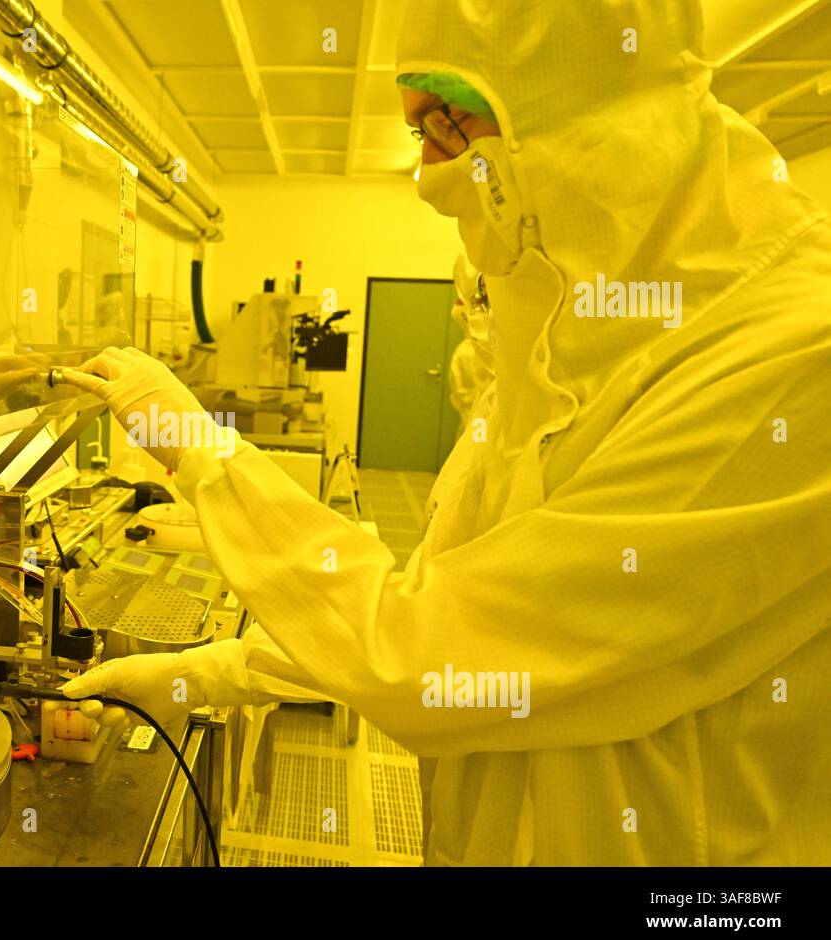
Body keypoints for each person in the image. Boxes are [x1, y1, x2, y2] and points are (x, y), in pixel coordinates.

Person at [62, 0, 831, 865]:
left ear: (590, 108)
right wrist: (218, 672)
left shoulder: (793, 356)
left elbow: (427, 658)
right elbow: (476, 617)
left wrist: (201, 450)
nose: (427, 168)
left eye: (450, 121)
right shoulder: (562, 352)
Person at [446, 251, 494, 433]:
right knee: (473, 430)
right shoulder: (467, 261)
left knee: (480, 435)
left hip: (489, 373)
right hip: (473, 363)